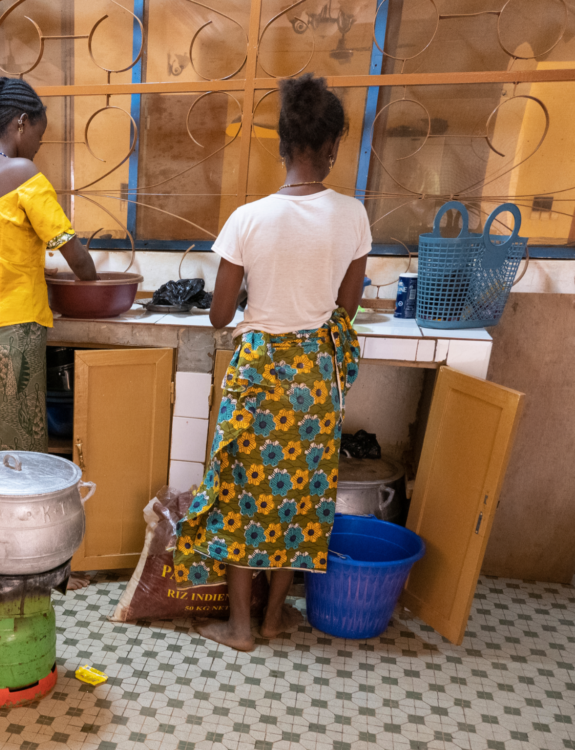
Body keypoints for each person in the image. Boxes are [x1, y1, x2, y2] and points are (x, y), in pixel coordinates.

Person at [173, 73, 368, 651]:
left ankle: (239, 627)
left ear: (281, 145)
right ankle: (276, 616)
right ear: (332, 148)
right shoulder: (352, 216)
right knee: (297, 499)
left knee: (242, 495)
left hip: (259, 376)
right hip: (313, 376)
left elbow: (219, 314)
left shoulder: (247, 218)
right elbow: (347, 307)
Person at [0, 76, 97, 458]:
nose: (37, 148)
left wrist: (15, 271)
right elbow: (76, 258)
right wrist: (92, 277)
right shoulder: (25, 177)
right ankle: (22, 518)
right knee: (20, 446)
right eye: (39, 138)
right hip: (17, 333)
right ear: (22, 123)